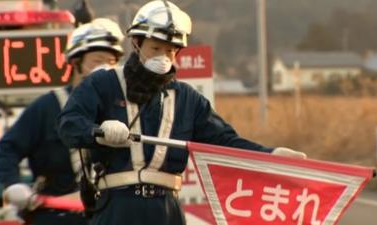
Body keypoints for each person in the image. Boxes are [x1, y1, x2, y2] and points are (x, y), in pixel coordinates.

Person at [56, 1, 306, 225]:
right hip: (117, 207)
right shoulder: (102, 83)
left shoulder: (188, 98)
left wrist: (272, 155)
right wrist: (98, 132)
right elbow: (68, 124)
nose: (163, 57)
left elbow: (226, 143)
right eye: (155, 48)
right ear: (136, 43)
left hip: (167, 210)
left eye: (170, 51)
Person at [0, 18, 125, 225]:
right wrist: (12, 184)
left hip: (110, 215)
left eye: (112, 62)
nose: (105, 69)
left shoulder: (123, 109)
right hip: (56, 216)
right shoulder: (47, 107)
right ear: (75, 62)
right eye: (98, 61)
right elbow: (7, 150)